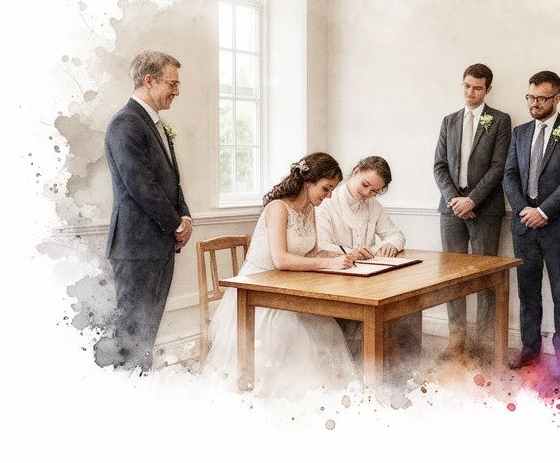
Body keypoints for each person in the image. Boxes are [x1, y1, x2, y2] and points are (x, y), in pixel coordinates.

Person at [203, 152, 360, 397]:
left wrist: (343, 256)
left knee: (328, 330)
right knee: (297, 337)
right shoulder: (278, 208)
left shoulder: (310, 211)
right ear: (308, 182)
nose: (328, 195)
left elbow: (313, 251)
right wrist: (331, 265)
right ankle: (289, 402)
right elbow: (281, 259)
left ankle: (326, 402)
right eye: (326, 188)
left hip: (286, 289)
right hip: (258, 294)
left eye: (332, 190)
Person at [98, 50, 193, 371]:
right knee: (131, 336)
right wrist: (174, 225)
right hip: (136, 248)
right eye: (173, 83)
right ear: (149, 80)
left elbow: (170, 179)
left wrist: (186, 216)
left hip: (158, 246)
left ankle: (140, 397)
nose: (177, 91)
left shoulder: (154, 124)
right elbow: (141, 185)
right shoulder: (125, 123)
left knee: (146, 335)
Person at [503, 70, 560, 377]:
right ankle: (529, 348)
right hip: (524, 226)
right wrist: (524, 209)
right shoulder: (520, 132)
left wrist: (544, 211)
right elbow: (509, 174)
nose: (535, 103)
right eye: (531, 97)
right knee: (528, 291)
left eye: (541, 98)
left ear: (557, 98)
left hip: (558, 228)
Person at [432, 63, 511, 359]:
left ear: (488, 89)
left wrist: (472, 200)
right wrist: (455, 199)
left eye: (477, 87)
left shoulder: (500, 120)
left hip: (485, 209)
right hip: (451, 209)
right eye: (467, 86)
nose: (471, 92)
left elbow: (498, 166)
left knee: (483, 276)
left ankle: (484, 343)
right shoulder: (449, 121)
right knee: (452, 277)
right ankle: (457, 340)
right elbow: (439, 166)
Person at [316, 156, 419, 371]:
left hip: (366, 279)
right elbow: (321, 246)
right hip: (332, 279)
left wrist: (390, 244)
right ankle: (362, 368)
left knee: (408, 303)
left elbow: (396, 235)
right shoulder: (327, 201)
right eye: (365, 185)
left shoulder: (374, 207)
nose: (367, 194)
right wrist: (352, 253)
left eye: (374, 191)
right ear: (356, 171)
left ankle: (400, 368)